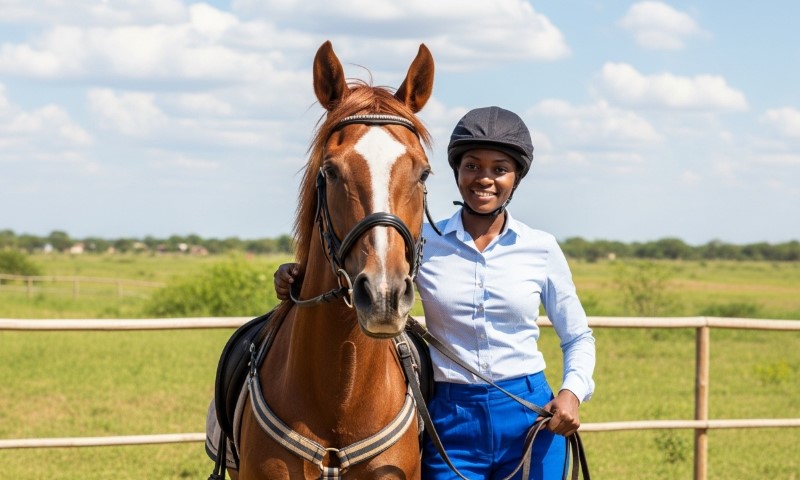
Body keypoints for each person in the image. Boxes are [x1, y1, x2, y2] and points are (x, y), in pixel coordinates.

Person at [274, 106, 595, 479]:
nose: (484, 179)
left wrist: (572, 392)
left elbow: (578, 336)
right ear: (457, 173)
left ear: (516, 177)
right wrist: (297, 274)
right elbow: (364, 273)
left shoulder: (541, 248)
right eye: (472, 166)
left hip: (528, 414)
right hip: (451, 419)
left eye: (499, 169)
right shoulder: (423, 243)